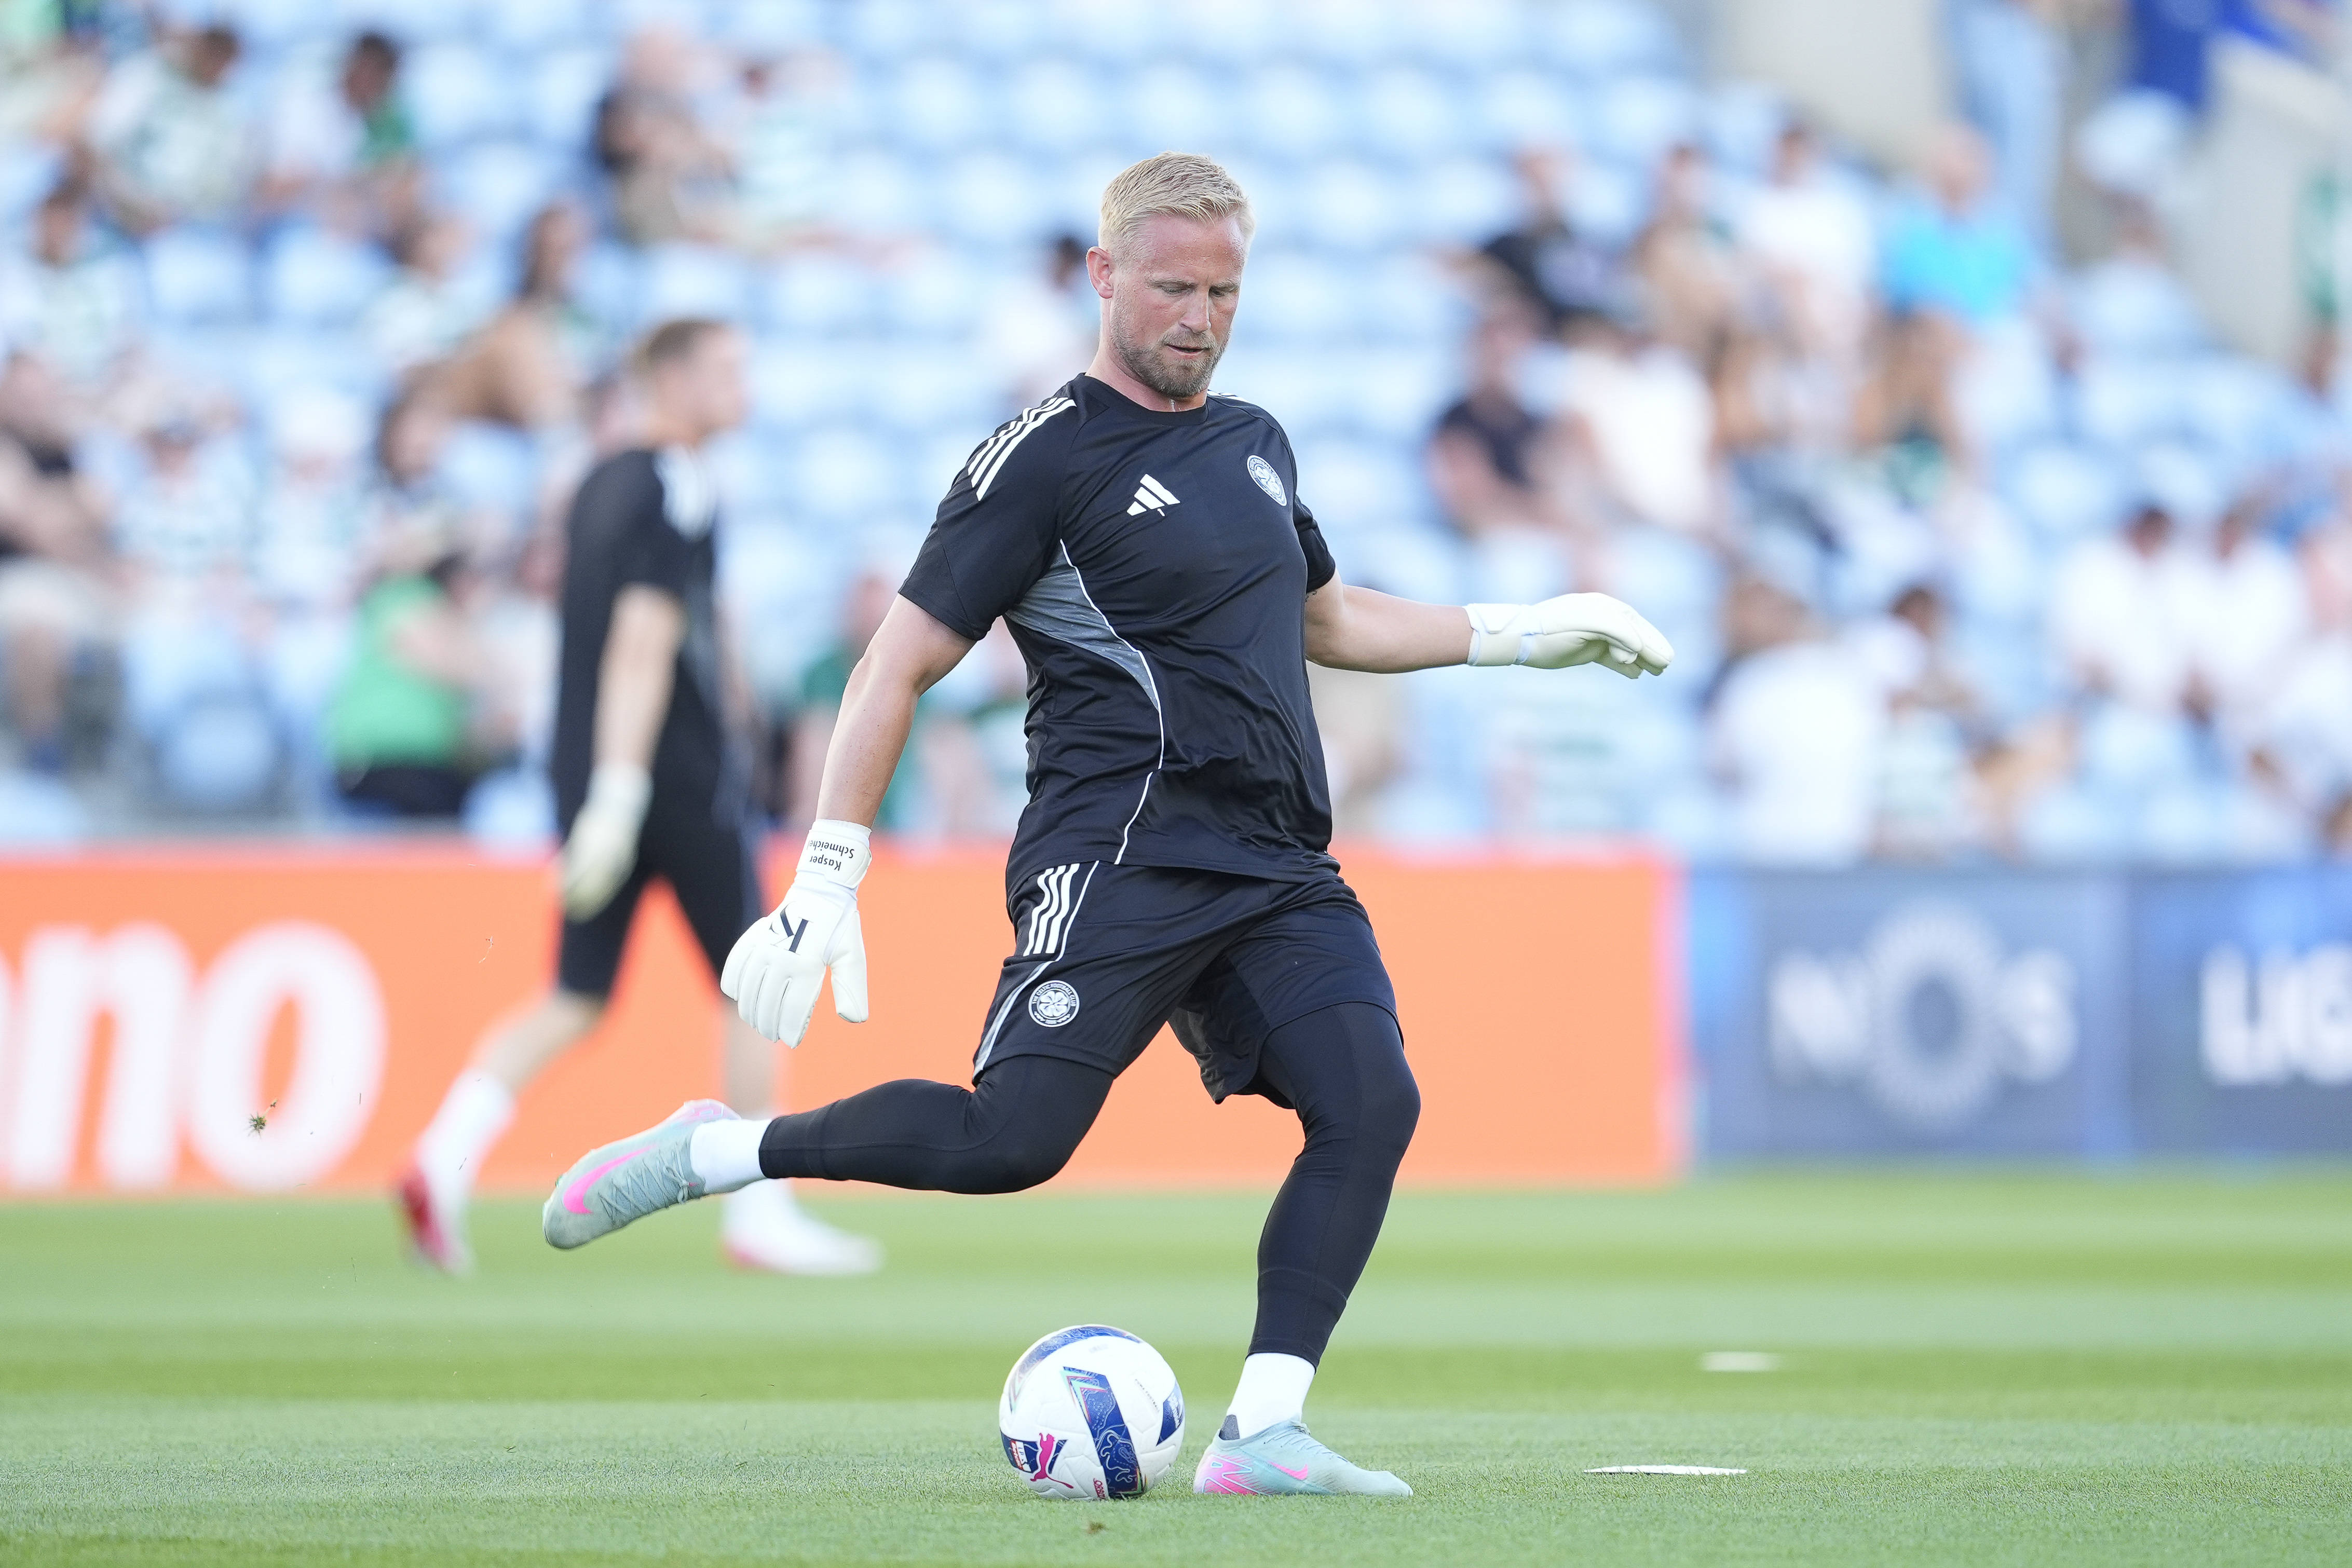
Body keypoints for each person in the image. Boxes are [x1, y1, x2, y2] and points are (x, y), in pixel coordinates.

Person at [534, 156, 1672, 1497]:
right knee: (1011, 1140)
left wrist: (1526, 629)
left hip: (1277, 859)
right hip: (1118, 848)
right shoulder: (1036, 460)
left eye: (1225, 290)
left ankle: (1261, 1431)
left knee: (1370, 1099)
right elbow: (894, 665)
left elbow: (1328, 614)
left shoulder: (1251, 436)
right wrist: (825, 873)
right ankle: (716, 1146)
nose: (1200, 314)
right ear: (1104, 275)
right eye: (1176, 286)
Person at [398, 318, 878, 1278]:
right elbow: (642, 642)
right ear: (672, 378)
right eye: (729, 367)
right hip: (670, 776)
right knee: (755, 976)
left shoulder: (598, 480)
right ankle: (761, 1209)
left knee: (576, 992)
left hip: (588, 774)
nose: (744, 385)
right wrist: (628, 789)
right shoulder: (673, 482)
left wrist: (597, 796)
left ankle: (439, 1160)